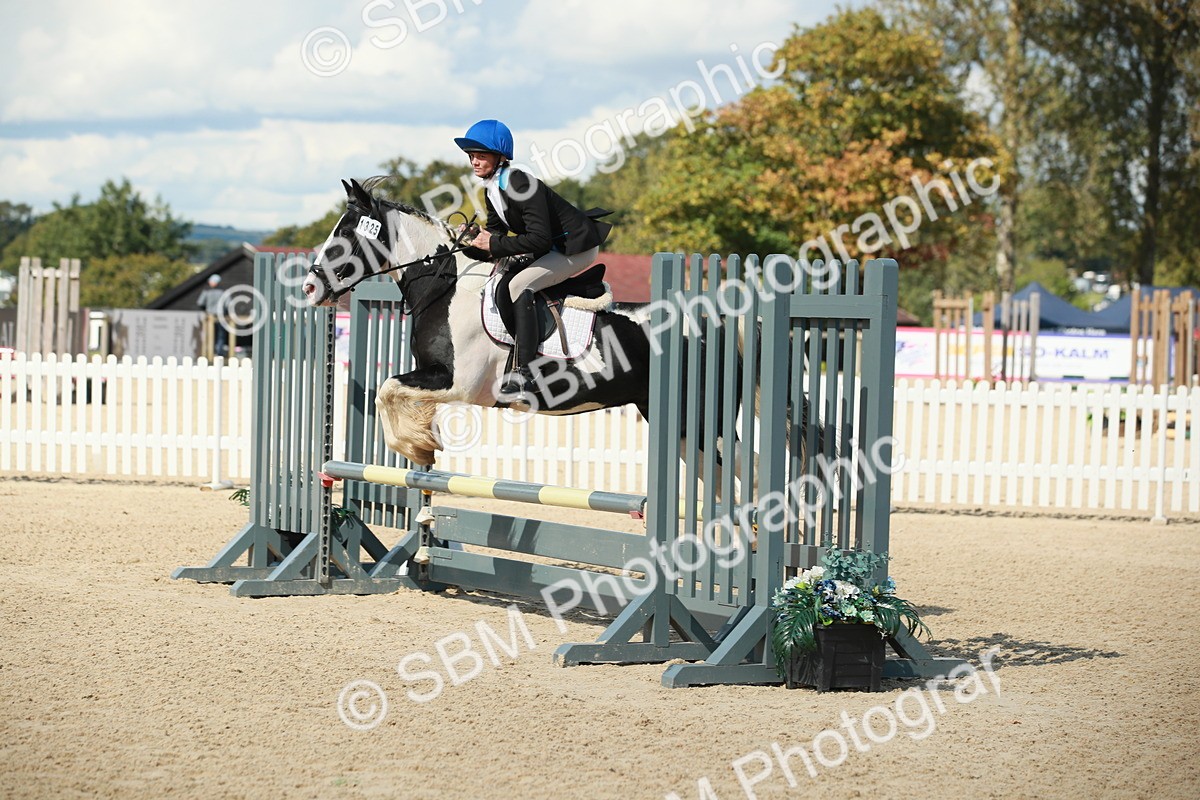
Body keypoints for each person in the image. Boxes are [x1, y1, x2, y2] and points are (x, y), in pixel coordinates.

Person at [455, 119, 612, 397]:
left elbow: (538, 239)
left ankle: (525, 373)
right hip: (550, 247)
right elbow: (496, 234)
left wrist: (492, 242)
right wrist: (473, 240)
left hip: (574, 248)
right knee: (503, 282)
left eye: (481, 155)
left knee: (519, 285)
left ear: (500, 156)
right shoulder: (492, 189)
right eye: (471, 156)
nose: (474, 162)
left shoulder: (519, 183)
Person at [195, 274, 229, 357]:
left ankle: (209, 352)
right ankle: (218, 352)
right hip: (220, 316)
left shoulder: (206, 292)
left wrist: (205, 309)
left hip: (209, 316)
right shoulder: (223, 292)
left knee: (209, 334)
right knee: (220, 335)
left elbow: (200, 303)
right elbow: (228, 304)